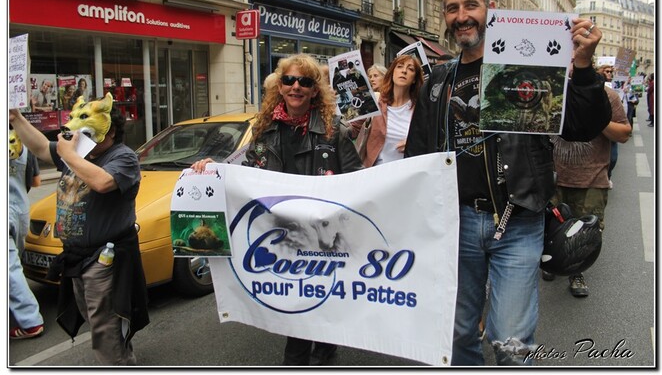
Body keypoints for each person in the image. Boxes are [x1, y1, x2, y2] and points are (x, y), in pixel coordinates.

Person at [404, 0, 611, 365]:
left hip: (518, 221)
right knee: (457, 332)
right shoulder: (439, 79)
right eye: (452, 8)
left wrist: (582, 69)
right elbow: (418, 157)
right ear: (445, 17)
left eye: (471, 5)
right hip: (456, 225)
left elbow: (583, 125)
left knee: (510, 342)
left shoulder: (525, 65)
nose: (461, 16)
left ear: (490, 11)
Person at [192, 54, 363, 366]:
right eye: (289, 80)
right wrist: (216, 171)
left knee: (321, 308)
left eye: (305, 82)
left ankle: (324, 353)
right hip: (283, 232)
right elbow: (248, 169)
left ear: (315, 90)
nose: (296, 86)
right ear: (280, 87)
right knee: (297, 306)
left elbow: (357, 180)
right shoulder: (265, 129)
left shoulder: (334, 130)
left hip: (324, 237)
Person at [9, 96, 150, 365]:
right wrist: (16, 118)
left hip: (105, 259)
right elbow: (40, 146)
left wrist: (70, 155)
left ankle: (116, 364)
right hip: (76, 256)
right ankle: (122, 357)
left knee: (105, 326)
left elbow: (103, 182)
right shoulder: (80, 153)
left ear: (109, 131)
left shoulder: (123, 157)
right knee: (96, 318)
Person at [546, 79, 630, 296]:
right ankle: (549, 262)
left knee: (585, 234)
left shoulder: (606, 95)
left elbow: (623, 134)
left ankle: (577, 272)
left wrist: (596, 118)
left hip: (591, 180)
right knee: (547, 228)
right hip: (551, 176)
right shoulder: (547, 86)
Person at [9, 128, 44, 339]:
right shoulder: (24, 143)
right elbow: (36, 182)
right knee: (14, 263)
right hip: (19, 210)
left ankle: (30, 321)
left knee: (10, 268)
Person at [359, 55, 423, 167]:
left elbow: (430, 142)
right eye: (399, 66)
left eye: (410, 69)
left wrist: (413, 144)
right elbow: (351, 130)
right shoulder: (375, 101)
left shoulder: (421, 108)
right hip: (376, 175)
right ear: (392, 72)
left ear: (414, 79)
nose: (404, 71)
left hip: (407, 175)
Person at [596, 65, 617, 188]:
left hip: (610, 124)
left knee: (613, 158)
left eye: (611, 72)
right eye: (607, 71)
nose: (609, 73)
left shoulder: (613, 90)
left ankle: (607, 175)